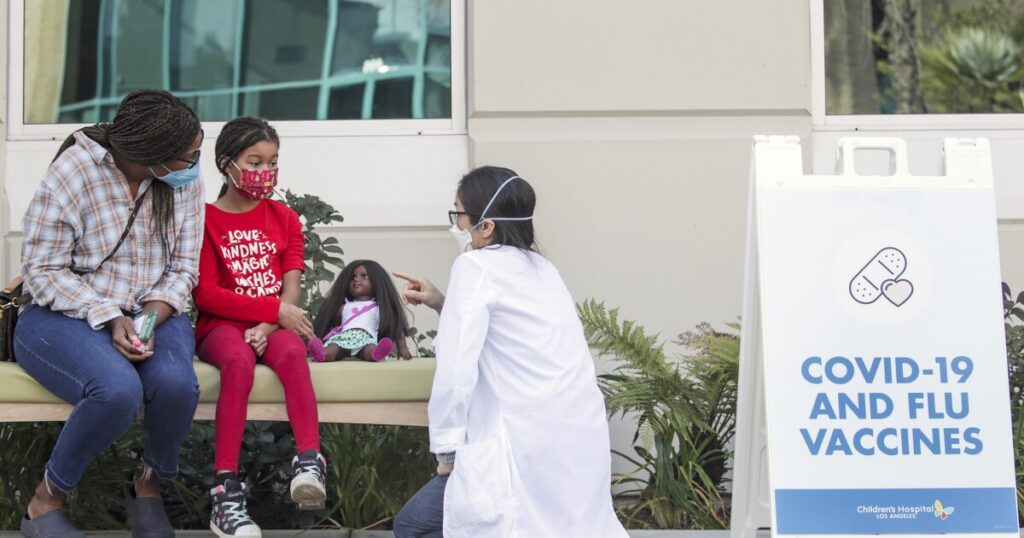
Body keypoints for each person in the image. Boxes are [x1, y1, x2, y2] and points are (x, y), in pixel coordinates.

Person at [392, 167, 627, 537]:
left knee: (412, 526)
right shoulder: (544, 269)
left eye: (459, 215)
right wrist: (444, 303)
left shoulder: (474, 266)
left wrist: (448, 452)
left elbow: (456, 367)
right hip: (576, 442)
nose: (456, 226)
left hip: (520, 444)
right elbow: (507, 332)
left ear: (486, 226)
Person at [14, 89, 205, 538]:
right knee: (115, 390)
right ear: (153, 156)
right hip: (63, 312)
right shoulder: (74, 173)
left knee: (176, 384)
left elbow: (184, 267)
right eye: (189, 156)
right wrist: (107, 316)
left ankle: (148, 489)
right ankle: (45, 502)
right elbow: (42, 270)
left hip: (151, 308)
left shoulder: (183, 184)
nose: (197, 165)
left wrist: (151, 317)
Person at [191, 116, 323, 538]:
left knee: (290, 351)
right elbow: (205, 294)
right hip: (222, 327)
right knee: (237, 362)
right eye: (254, 161)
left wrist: (269, 323)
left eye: (272, 162)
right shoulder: (205, 220)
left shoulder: (285, 218)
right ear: (226, 164)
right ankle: (225, 492)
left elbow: (292, 289)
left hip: (272, 323)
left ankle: (308, 460)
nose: (264, 173)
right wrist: (273, 313)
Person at [312, 260, 412, 362]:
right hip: (343, 338)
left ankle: (375, 354)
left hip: (365, 339)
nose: (357, 280)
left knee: (369, 350)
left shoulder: (378, 308)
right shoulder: (345, 307)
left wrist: (402, 347)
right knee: (333, 348)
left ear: (376, 281)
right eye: (353, 277)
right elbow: (336, 325)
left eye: (364, 276)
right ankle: (323, 354)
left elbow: (395, 326)